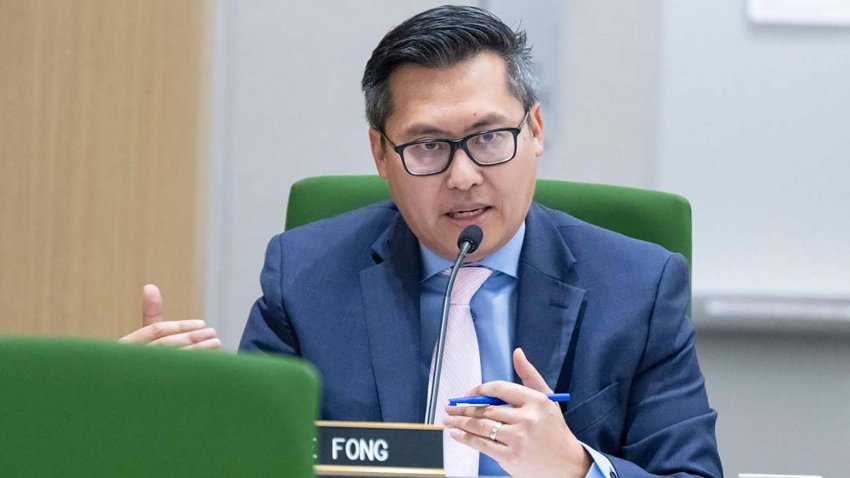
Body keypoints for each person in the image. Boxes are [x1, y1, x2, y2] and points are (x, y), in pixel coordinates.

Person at [121, 6, 721, 477]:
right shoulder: (304, 279)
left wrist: (573, 468)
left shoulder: (640, 289)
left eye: (488, 137)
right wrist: (178, 411)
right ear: (381, 153)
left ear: (534, 130)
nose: (463, 175)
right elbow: (257, 459)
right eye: (428, 146)